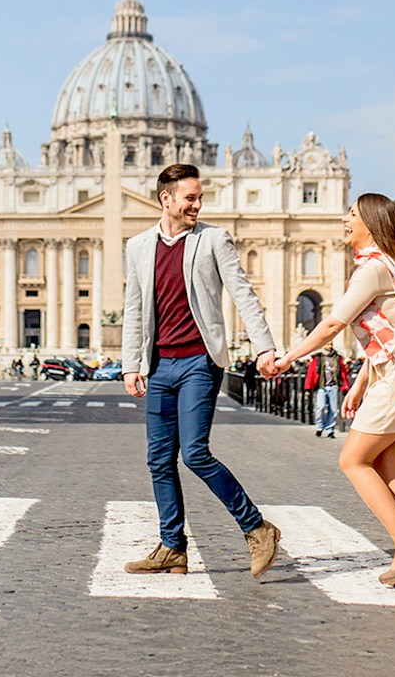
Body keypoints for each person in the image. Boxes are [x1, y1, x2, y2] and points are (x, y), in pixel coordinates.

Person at [271, 194, 395, 590]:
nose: (345, 219)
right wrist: (362, 382)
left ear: (371, 224)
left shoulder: (371, 269)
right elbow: (390, 331)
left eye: (353, 214)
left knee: (353, 460)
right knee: (388, 464)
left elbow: (332, 326)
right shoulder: (385, 265)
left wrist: (288, 357)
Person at [121, 163, 283, 579]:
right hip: (159, 366)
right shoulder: (138, 247)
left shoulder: (213, 239)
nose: (197, 204)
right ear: (167, 199)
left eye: (199, 197)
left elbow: (242, 294)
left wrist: (265, 346)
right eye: (190, 198)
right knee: (158, 460)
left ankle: (257, 528)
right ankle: (172, 547)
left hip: (198, 361)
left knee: (193, 452)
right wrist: (130, 365)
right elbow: (135, 309)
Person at [304, 342, 351, 438]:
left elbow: (342, 373)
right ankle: (320, 426)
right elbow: (311, 373)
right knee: (320, 407)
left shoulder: (337, 358)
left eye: (331, 344)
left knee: (333, 409)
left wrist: (345, 386)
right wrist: (308, 388)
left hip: (333, 386)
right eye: (328, 344)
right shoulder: (318, 358)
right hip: (322, 386)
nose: (330, 346)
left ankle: (330, 429)